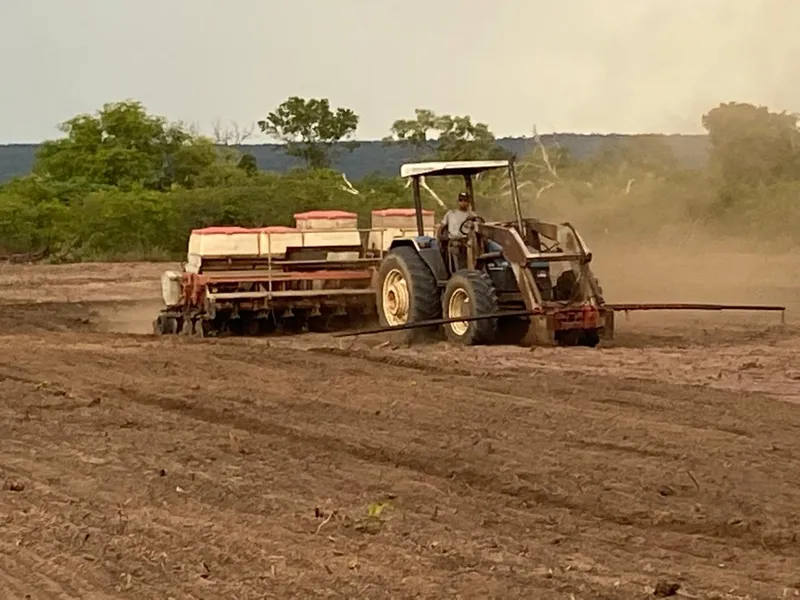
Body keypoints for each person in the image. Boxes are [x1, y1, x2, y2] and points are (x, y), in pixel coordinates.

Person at [437, 192, 474, 271]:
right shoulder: (451, 214)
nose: (463, 202)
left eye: (465, 200)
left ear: (468, 202)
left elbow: (479, 225)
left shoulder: (472, 215)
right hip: (455, 243)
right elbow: (441, 226)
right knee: (458, 264)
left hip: (468, 243)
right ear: (458, 201)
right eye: (461, 200)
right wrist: (439, 238)